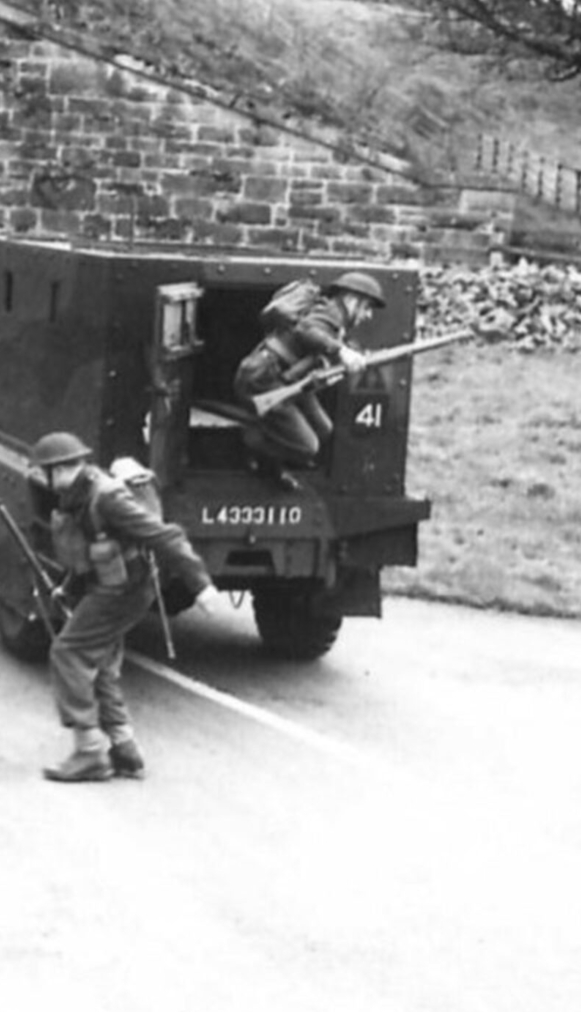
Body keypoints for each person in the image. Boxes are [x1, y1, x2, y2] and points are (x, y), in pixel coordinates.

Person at [31, 431, 222, 783]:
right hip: (112, 586)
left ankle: (89, 751)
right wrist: (67, 587)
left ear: (59, 471)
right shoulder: (80, 495)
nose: (46, 481)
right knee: (101, 660)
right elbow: (91, 550)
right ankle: (124, 749)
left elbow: (165, 535)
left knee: (68, 652)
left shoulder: (107, 497)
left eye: (47, 472)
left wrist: (201, 585)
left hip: (125, 591)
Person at [232, 271, 386, 490]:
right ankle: (252, 444)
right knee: (307, 447)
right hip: (263, 379)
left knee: (323, 429)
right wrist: (341, 351)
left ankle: (269, 461)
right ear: (352, 300)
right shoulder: (330, 312)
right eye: (367, 307)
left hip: (287, 379)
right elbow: (306, 330)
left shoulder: (336, 321)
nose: (368, 315)